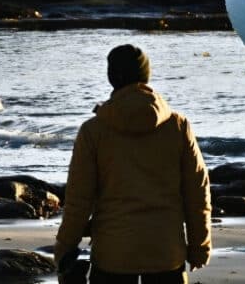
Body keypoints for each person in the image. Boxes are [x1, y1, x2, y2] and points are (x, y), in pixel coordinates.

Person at [55, 44, 211, 284]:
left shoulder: (93, 131)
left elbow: (79, 199)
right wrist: (200, 246)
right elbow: (197, 191)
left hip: (113, 255)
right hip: (165, 252)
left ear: (111, 77)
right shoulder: (177, 126)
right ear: (145, 76)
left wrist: (64, 249)